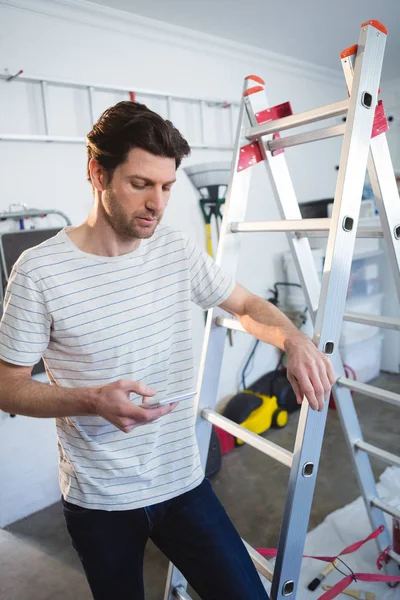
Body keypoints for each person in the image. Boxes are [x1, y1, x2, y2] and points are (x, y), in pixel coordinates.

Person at [0, 101, 335, 600]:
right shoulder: (39, 271)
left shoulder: (174, 249)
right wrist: (93, 400)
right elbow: (8, 388)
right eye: (140, 184)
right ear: (98, 173)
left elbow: (243, 304)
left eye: (166, 187)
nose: (156, 203)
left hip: (182, 480)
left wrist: (294, 339)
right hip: (101, 500)